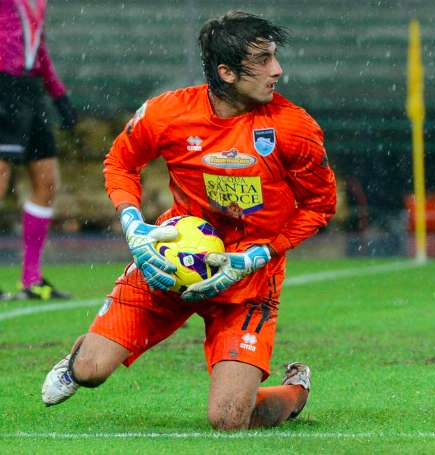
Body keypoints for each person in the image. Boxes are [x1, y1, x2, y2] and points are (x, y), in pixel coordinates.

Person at [41, 11, 336, 431]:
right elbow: (120, 163)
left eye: (275, 57)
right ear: (226, 72)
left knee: (229, 419)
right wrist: (133, 224)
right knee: (89, 372)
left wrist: (259, 255)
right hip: (170, 259)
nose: (278, 70)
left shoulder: (295, 128)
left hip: (247, 277)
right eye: (265, 59)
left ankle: (295, 391)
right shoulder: (167, 113)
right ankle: (81, 360)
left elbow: (320, 205)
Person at [0, 0, 77, 301]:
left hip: (30, 91)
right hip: (3, 86)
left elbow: (38, 47)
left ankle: (31, 279)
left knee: (46, 182)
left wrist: (58, 95)